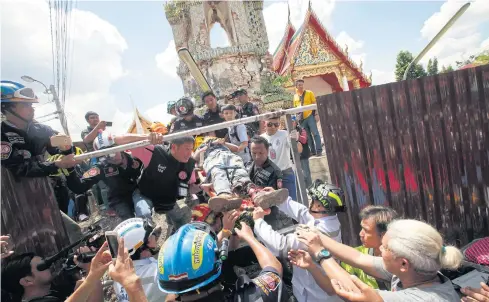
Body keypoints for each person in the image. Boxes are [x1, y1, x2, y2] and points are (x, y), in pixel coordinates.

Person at [0, 80, 88, 243]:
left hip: (43, 196)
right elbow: (21, 168)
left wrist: (66, 148)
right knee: (22, 247)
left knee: (70, 233)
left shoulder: (41, 130)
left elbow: (61, 151)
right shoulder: (2, 135)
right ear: (7, 107)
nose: (31, 108)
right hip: (13, 206)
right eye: (25, 105)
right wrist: (57, 164)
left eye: (31, 104)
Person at [296, 219, 463, 301]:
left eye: (385, 247)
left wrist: (320, 253)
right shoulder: (418, 273)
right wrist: (317, 236)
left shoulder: (420, 299)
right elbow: (358, 257)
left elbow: (354, 292)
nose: (380, 249)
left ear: (403, 263)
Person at [252, 181, 346, 302]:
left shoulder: (317, 233)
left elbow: (281, 246)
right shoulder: (329, 220)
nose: (310, 202)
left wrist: (259, 221)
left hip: (316, 296)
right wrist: (279, 199)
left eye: (313, 200)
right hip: (312, 290)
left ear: (319, 207)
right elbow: (304, 213)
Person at [157, 221, 287, 302]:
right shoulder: (251, 297)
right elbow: (274, 267)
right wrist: (249, 237)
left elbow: (172, 293)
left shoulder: (172, 295)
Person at [192, 137, 289, 213]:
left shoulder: (223, 146)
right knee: (219, 174)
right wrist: (206, 146)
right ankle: (224, 195)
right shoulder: (202, 148)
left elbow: (236, 148)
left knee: (240, 174)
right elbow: (194, 158)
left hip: (230, 157)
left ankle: (256, 194)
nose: (211, 139)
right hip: (213, 158)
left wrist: (222, 142)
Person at [82, 130, 147, 220]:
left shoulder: (134, 158)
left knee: (145, 214)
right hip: (118, 199)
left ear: (119, 147)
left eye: (112, 151)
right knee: (129, 219)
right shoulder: (100, 167)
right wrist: (70, 170)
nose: (110, 157)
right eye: (105, 154)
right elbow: (80, 185)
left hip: (137, 193)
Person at [340, 205, 398, 290]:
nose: (360, 234)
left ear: (383, 234)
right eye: (361, 228)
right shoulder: (354, 255)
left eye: (366, 230)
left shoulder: (400, 260)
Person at [111, 218, 167, 302]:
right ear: (141, 246)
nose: (154, 237)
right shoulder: (159, 270)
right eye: (151, 235)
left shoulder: (117, 278)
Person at [246, 136, 294, 231]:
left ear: (267, 151)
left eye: (261, 153)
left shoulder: (275, 172)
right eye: (254, 153)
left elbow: (275, 198)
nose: (257, 156)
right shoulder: (251, 165)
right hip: (253, 212)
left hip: (269, 215)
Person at [261, 112, 298, 200]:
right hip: (270, 175)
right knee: (275, 204)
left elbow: (297, 150)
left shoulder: (284, 134)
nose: (273, 127)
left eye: (276, 124)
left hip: (285, 172)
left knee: (291, 201)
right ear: (264, 123)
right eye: (270, 124)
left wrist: (295, 140)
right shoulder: (261, 139)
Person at [80, 110, 110, 211]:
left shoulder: (104, 130)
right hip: (95, 160)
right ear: (88, 120)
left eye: (96, 117)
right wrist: (98, 128)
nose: (95, 119)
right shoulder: (85, 131)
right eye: (92, 118)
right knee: (103, 185)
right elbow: (87, 139)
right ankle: (108, 208)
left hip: (108, 157)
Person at [293, 79, 322, 156]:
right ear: (296, 86)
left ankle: (319, 150)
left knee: (315, 133)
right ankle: (313, 151)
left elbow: (314, 104)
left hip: (310, 116)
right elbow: (296, 108)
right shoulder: (295, 96)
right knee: (308, 136)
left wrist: (316, 115)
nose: (301, 86)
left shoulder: (309, 93)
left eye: (302, 85)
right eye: (299, 85)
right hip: (301, 119)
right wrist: (296, 120)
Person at [291, 116, 312, 187]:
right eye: (290, 122)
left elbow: (304, 140)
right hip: (293, 158)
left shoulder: (301, 129)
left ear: (296, 122)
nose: (291, 123)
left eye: (293, 121)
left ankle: (310, 190)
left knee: (306, 175)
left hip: (303, 156)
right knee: (297, 178)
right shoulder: (286, 131)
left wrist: (298, 137)